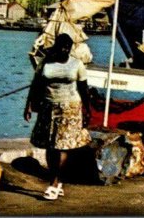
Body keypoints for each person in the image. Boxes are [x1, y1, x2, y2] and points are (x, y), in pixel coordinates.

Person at [24, 33, 92, 201]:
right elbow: (36, 85)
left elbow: (84, 89)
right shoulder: (45, 63)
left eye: (67, 48)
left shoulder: (77, 65)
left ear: (70, 48)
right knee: (50, 146)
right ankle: (56, 180)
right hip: (49, 107)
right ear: (56, 47)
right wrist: (29, 105)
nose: (64, 50)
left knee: (62, 145)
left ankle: (54, 183)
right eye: (61, 47)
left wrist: (87, 110)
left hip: (70, 108)